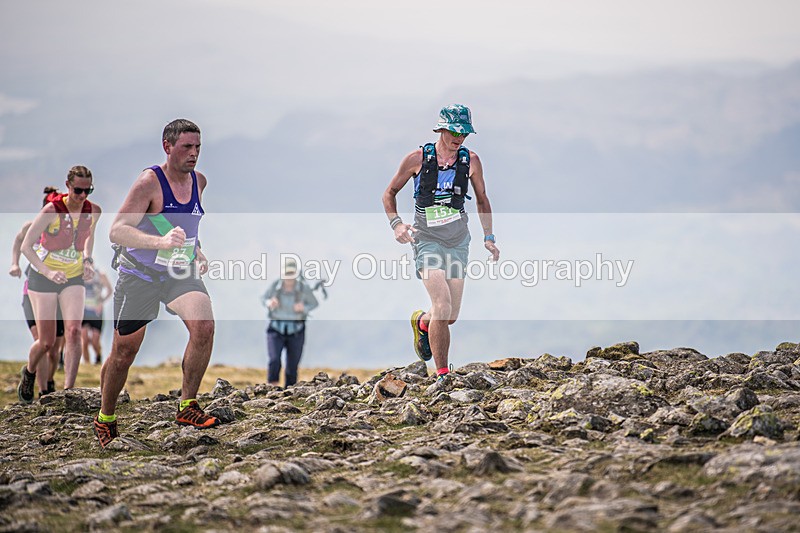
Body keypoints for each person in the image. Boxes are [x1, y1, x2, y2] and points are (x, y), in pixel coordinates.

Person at [95, 118, 219, 448]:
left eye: (198, 147)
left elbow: (185, 226)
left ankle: (187, 405)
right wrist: (160, 244)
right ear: (167, 146)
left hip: (180, 274)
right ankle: (105, 417)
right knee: (124, 352)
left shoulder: (199, 181)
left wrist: (198, 250)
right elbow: (118, 230)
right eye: (186, 147)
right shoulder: (149, 182)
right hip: (140, 276)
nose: (194, 154)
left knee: (204, 326)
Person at [382, 104, 500, 381]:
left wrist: (489, 237)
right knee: (443, 303)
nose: (459, 137)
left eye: (465, 133)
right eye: (455, 131)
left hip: (458, 241)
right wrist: (396, 224)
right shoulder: (417, 159)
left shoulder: (471, 161)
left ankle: (423, 322)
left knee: (449, 316)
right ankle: (443, 374)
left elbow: (482, 200)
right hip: (427, 240)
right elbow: (389, 193)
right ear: (442, 128)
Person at [18, 169, 102, 402]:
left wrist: (87, 260)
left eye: (88, 190)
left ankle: (69, 391)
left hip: (73, 277)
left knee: (74, 331)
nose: (82, 195)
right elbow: (26, 246)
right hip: (43, 277)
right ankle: (30, 372)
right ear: (68, 186)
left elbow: (88, 238)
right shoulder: (51, 211)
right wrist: (47, 271)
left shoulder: (93, 211)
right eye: (78, 190)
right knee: (46, 342)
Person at [9, 187, 66, 397]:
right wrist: (14, 264)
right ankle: (42, 390)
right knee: (43, 343)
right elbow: (18, 242)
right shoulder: (31, 227)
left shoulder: (67, 231)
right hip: (33, 293)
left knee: (55, 351)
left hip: (58, 297)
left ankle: (49, 381)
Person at [260, 258, 319, 388]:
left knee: (292, 365)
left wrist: (304, 308)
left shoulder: (303, 289)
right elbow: (263, 298)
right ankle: (272, 389)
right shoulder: (275, 287)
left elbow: (314, 303)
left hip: (296, 330)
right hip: (276, 328)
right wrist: (269, 303)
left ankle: (290, 392)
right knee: (274, 360)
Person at [81, 268, 112, 365]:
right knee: (84, 340)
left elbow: (109, 290)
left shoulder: (100, 275)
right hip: (84, 312)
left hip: (96, 313)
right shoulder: (79, 276)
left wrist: (101, 302)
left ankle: (98, 357)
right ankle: (87, 364)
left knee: (95, 341)